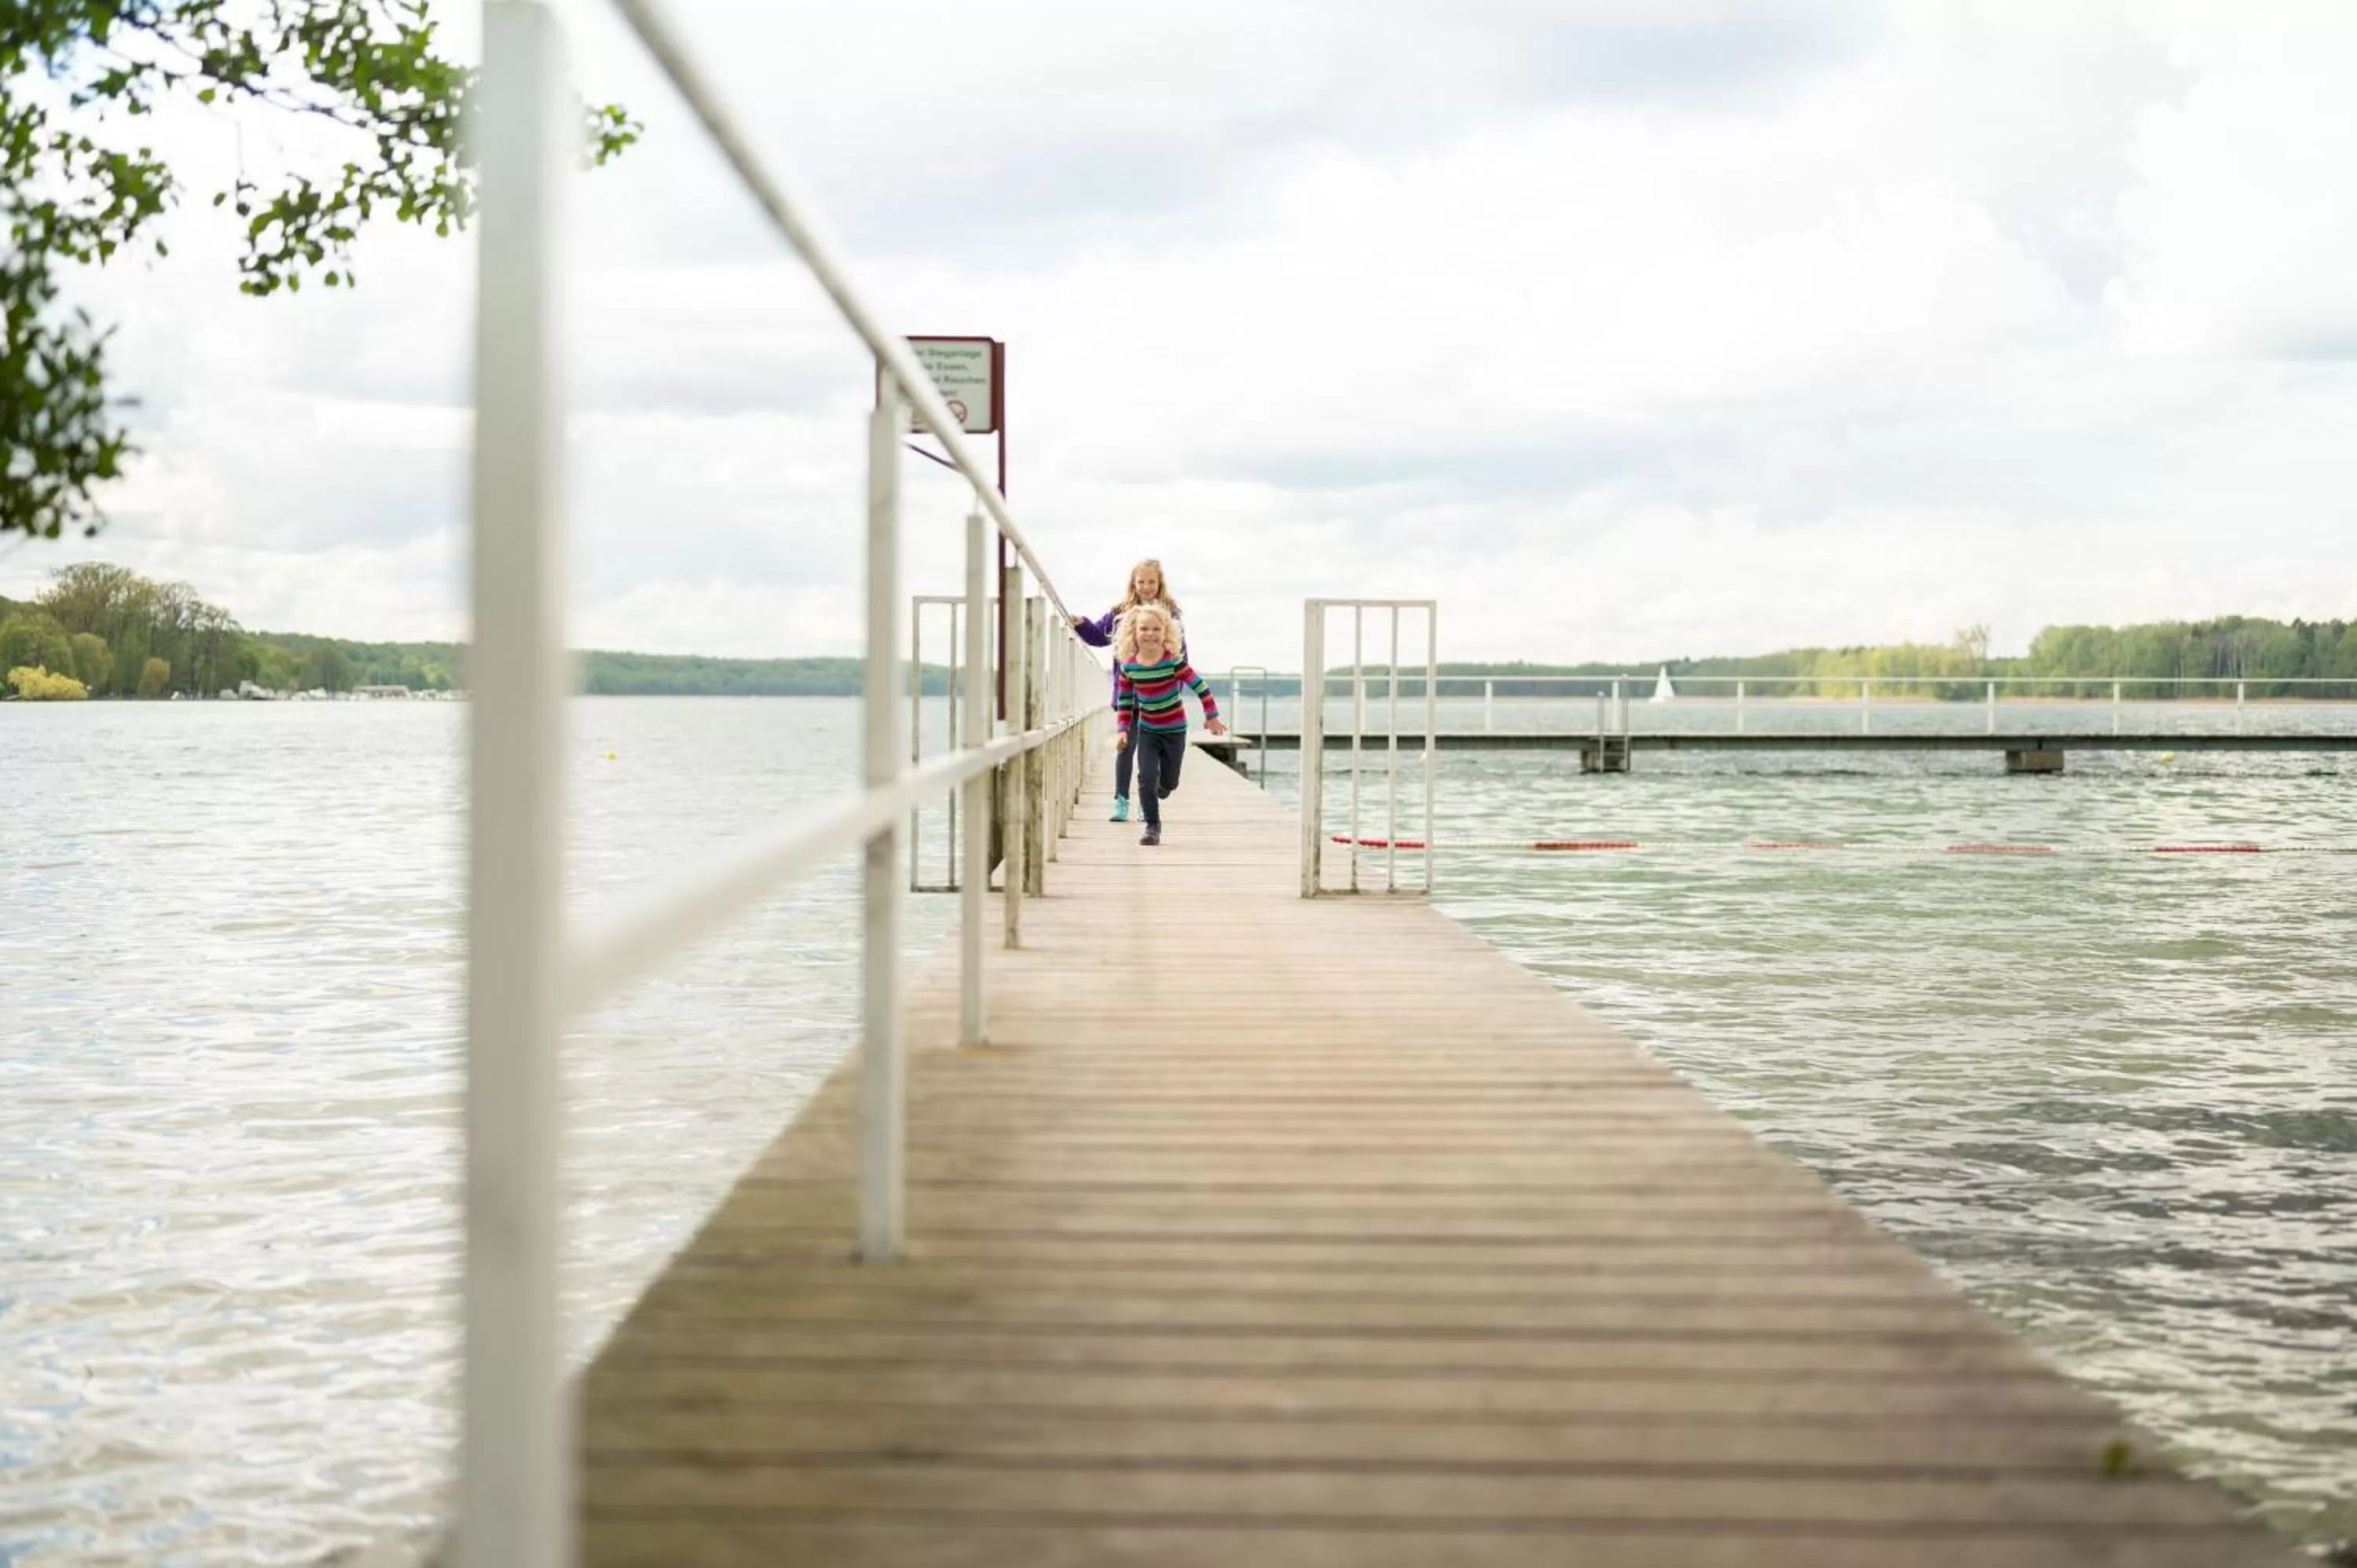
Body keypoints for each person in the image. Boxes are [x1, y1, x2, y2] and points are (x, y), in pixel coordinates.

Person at [1072, 559, 1182, 822]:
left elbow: (1179, 650)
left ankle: (1147, 803)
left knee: (1151, 754)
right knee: (1125, 747)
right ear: (1133, 583)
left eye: (1151, 581)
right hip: (1128, 695)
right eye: (1141, 581)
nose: (1146, 587)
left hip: (1158, 697)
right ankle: (1121, 800)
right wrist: (1081, 623)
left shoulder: (1170, 613)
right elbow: (1098, 636)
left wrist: (1175, 689)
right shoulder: (1120, 612)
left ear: (1160, 583)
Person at [1113, 603, 1225, 847]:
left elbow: (1200, 686)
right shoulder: (1129, 667)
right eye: (1144, 629)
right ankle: (1152, 826)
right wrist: (1122, 730)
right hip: (1147, 731)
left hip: (1175, 731)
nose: (1150, 634)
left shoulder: (1173, 662)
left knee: (1169, 782)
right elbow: (1125, 702)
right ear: (1134, 632)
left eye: (1156, 629)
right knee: (1146, 777)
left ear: (1166, 633)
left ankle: (1163, 788)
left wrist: (1212, 715)